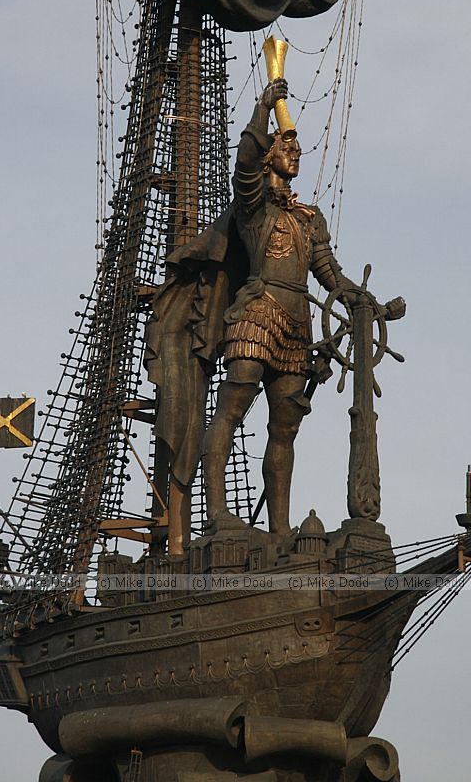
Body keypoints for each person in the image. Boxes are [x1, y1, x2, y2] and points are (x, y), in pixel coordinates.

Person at [145, 79, 404, 550]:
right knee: (231, 408)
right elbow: (243, 163)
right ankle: (220, 512)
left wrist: (361, 301)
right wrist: (265, 107)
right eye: (289, 148)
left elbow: (329, 274)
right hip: (257, 314)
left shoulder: (310, 218)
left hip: (298, 325)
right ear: (271, 156)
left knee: (285, 425)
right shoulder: (254, 208)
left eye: (298, 148)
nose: (297, 154)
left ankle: (281, 529)